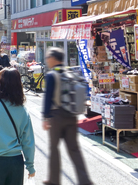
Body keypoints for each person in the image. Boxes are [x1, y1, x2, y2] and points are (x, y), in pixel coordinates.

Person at [42, 48, 92, 185]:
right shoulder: (71, 72)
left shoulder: (52, 75)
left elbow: (48, 98)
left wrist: (45, 117)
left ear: (53, 58)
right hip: (72, 115)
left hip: (56, 115)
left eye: (48, 57)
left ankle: (53, 180)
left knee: (54, 148)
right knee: (74, 150)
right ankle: (85, 181)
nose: (47, 60)